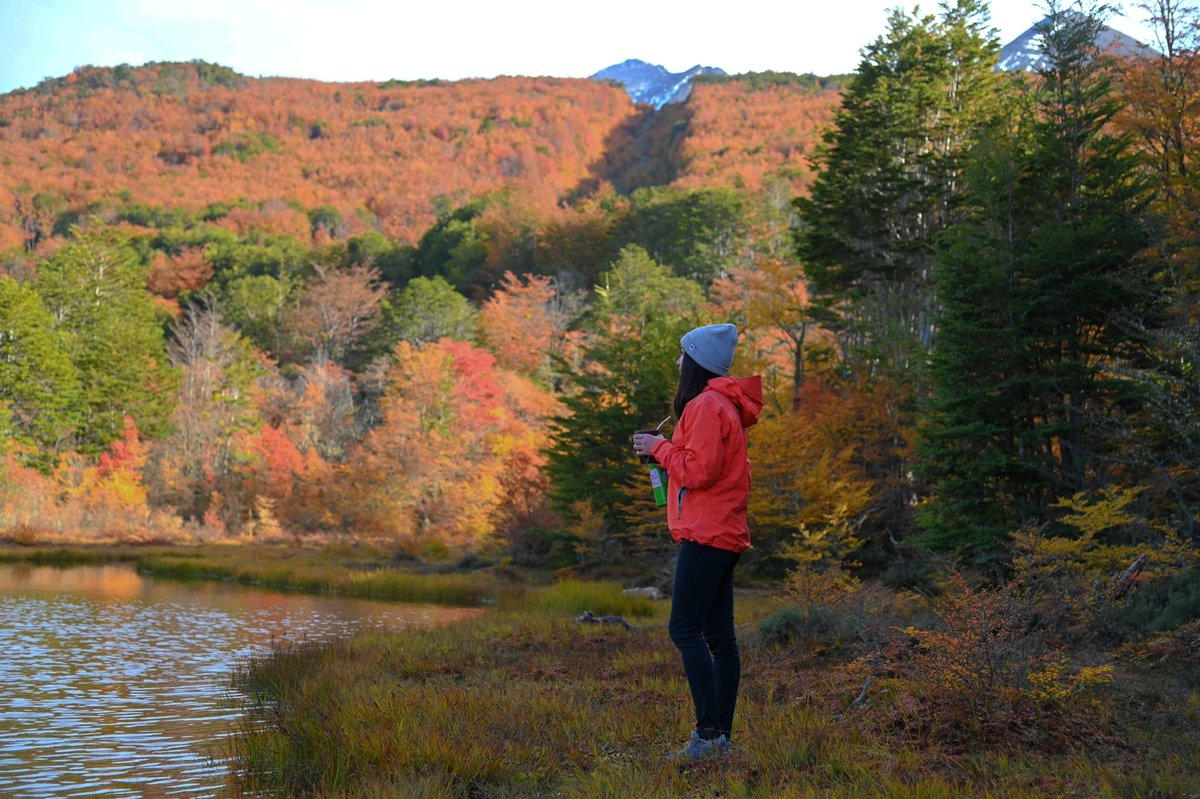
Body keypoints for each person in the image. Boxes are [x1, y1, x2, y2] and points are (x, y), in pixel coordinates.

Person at [632, 323, 763, 761]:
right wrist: (662, 452)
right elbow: (700, 466)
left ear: (697, 361)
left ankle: (708, 738)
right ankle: (719, 739)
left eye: (682, 355)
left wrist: (661, 447)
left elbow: (698, 471)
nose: (677, 363)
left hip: (707, 534)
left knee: (684, 630)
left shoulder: (706, 406)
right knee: (720, 639)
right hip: (722, 533)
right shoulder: (720, 404)